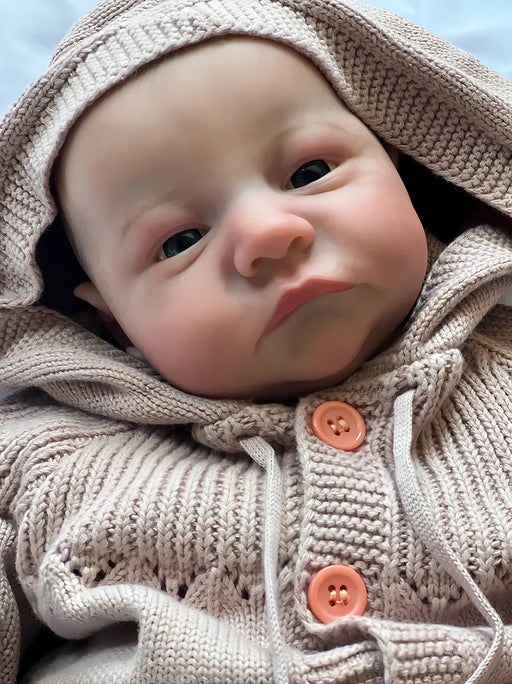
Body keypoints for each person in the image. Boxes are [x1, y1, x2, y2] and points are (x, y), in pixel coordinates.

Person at [1, 0, 512, 682]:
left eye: (310, 173)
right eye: (180, 241)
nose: (268, 234)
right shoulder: (46, 460)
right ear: (115, 322)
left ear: (400, 168)